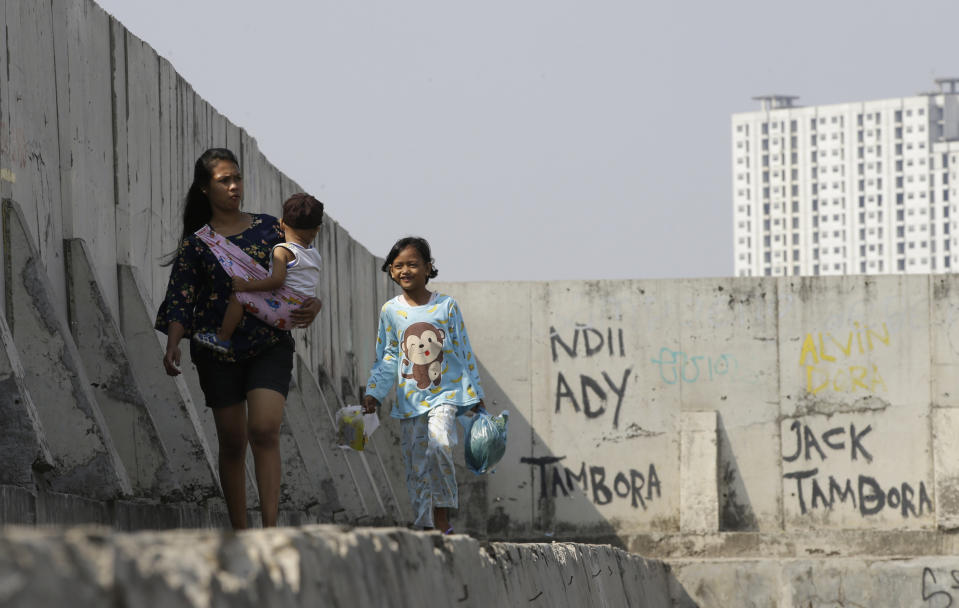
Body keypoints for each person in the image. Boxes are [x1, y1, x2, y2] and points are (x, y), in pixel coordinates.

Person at [155, 148, 321, 529]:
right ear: (203, 188)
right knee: (232, 442)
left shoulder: (271, 227)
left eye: (237, 178)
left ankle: (269, 531)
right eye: (223, 180)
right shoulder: (197, 244)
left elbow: (305, 272)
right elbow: (181, 297)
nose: (234, 187)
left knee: (264, 429)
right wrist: (173, 343)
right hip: (217, 349)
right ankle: (241, 533)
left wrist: (317, 305)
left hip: (269, 345)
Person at [362, 236, 485, 534]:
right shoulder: (390, 311)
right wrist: (374, 392)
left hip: (445, 395)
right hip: (409, 401)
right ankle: (423, 522)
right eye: (399, 266)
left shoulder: (447, 306)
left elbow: (464, 350)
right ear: (391, 271)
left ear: (429, 268)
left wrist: (476, 395)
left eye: (413, 264)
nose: (405, 270)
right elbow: (388, 355)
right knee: (416, 464)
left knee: (440, 444)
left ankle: (442, 516)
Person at [193, 192, 324, 353]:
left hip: (284, 308)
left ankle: (222, 338)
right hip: (301, 308)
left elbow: (276, 281)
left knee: (238, 297)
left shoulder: (282, 250)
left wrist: (246, 285)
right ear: (317, 229)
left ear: (282, 224)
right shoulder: (314, 254)